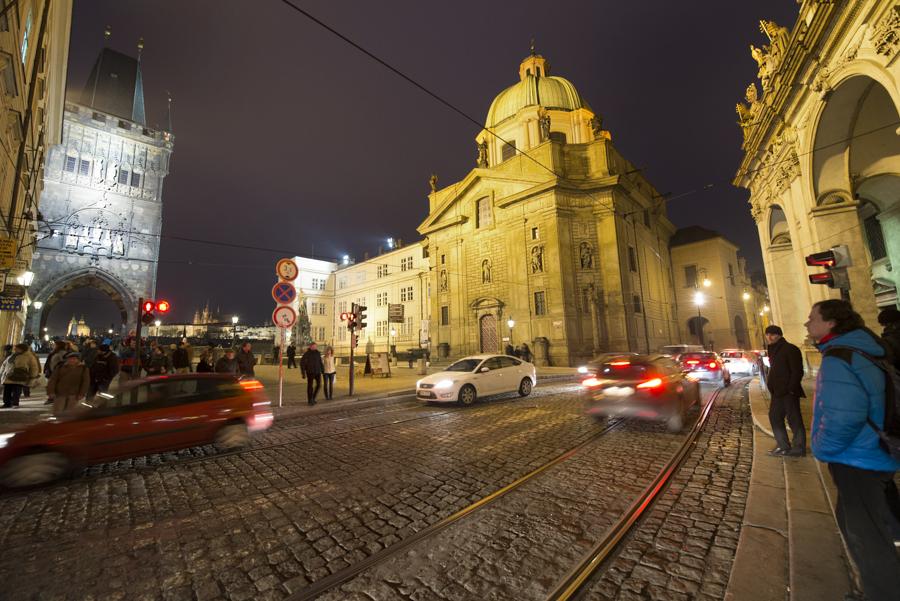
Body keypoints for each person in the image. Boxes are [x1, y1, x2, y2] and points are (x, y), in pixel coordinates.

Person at [806, 299, 900, 601]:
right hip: (872, 453)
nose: (807, 324)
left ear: (831, 322)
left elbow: (845, 415)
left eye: (812, 318)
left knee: (867, 537)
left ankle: (882, 593)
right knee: (859, 524)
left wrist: (820, 447)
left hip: (858, 458)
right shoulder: (861, 350)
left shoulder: (839, 357)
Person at [764, 324, 806, 457]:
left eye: (772, 334)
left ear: (779, 335)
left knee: (794, 419)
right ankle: (783, 446)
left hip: (788, 392)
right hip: (777, 392)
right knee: (774, 417)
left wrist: (791, 389)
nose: (769, 337)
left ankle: (799, 448)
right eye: (767, 334)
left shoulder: (790, 349)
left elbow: (797, 371)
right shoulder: (772, 349)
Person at [47, 352, 90, 416]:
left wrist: (82, 393)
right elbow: (53, 380)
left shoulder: (83, 368)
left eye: (74, 359)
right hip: (60, 393)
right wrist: (51, 391)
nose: (72, 360)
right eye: (70, 358)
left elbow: (85, 382)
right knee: (58, 411)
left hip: (74, 394)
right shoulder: (60, 367)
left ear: (78, 360)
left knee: (71, 413)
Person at [1, 343, 40, 408]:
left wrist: (33, 376)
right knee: (7, 391)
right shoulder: (12, 355)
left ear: (22, 349)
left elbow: (34, 367)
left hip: (20, 376)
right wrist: (2, 372)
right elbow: (4, 364)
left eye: (17, 348)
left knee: (16, 391)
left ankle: (15, 403)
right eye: (15, 348)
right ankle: (7, 403)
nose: (15, 349)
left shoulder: (29, 356)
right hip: (9, 376)